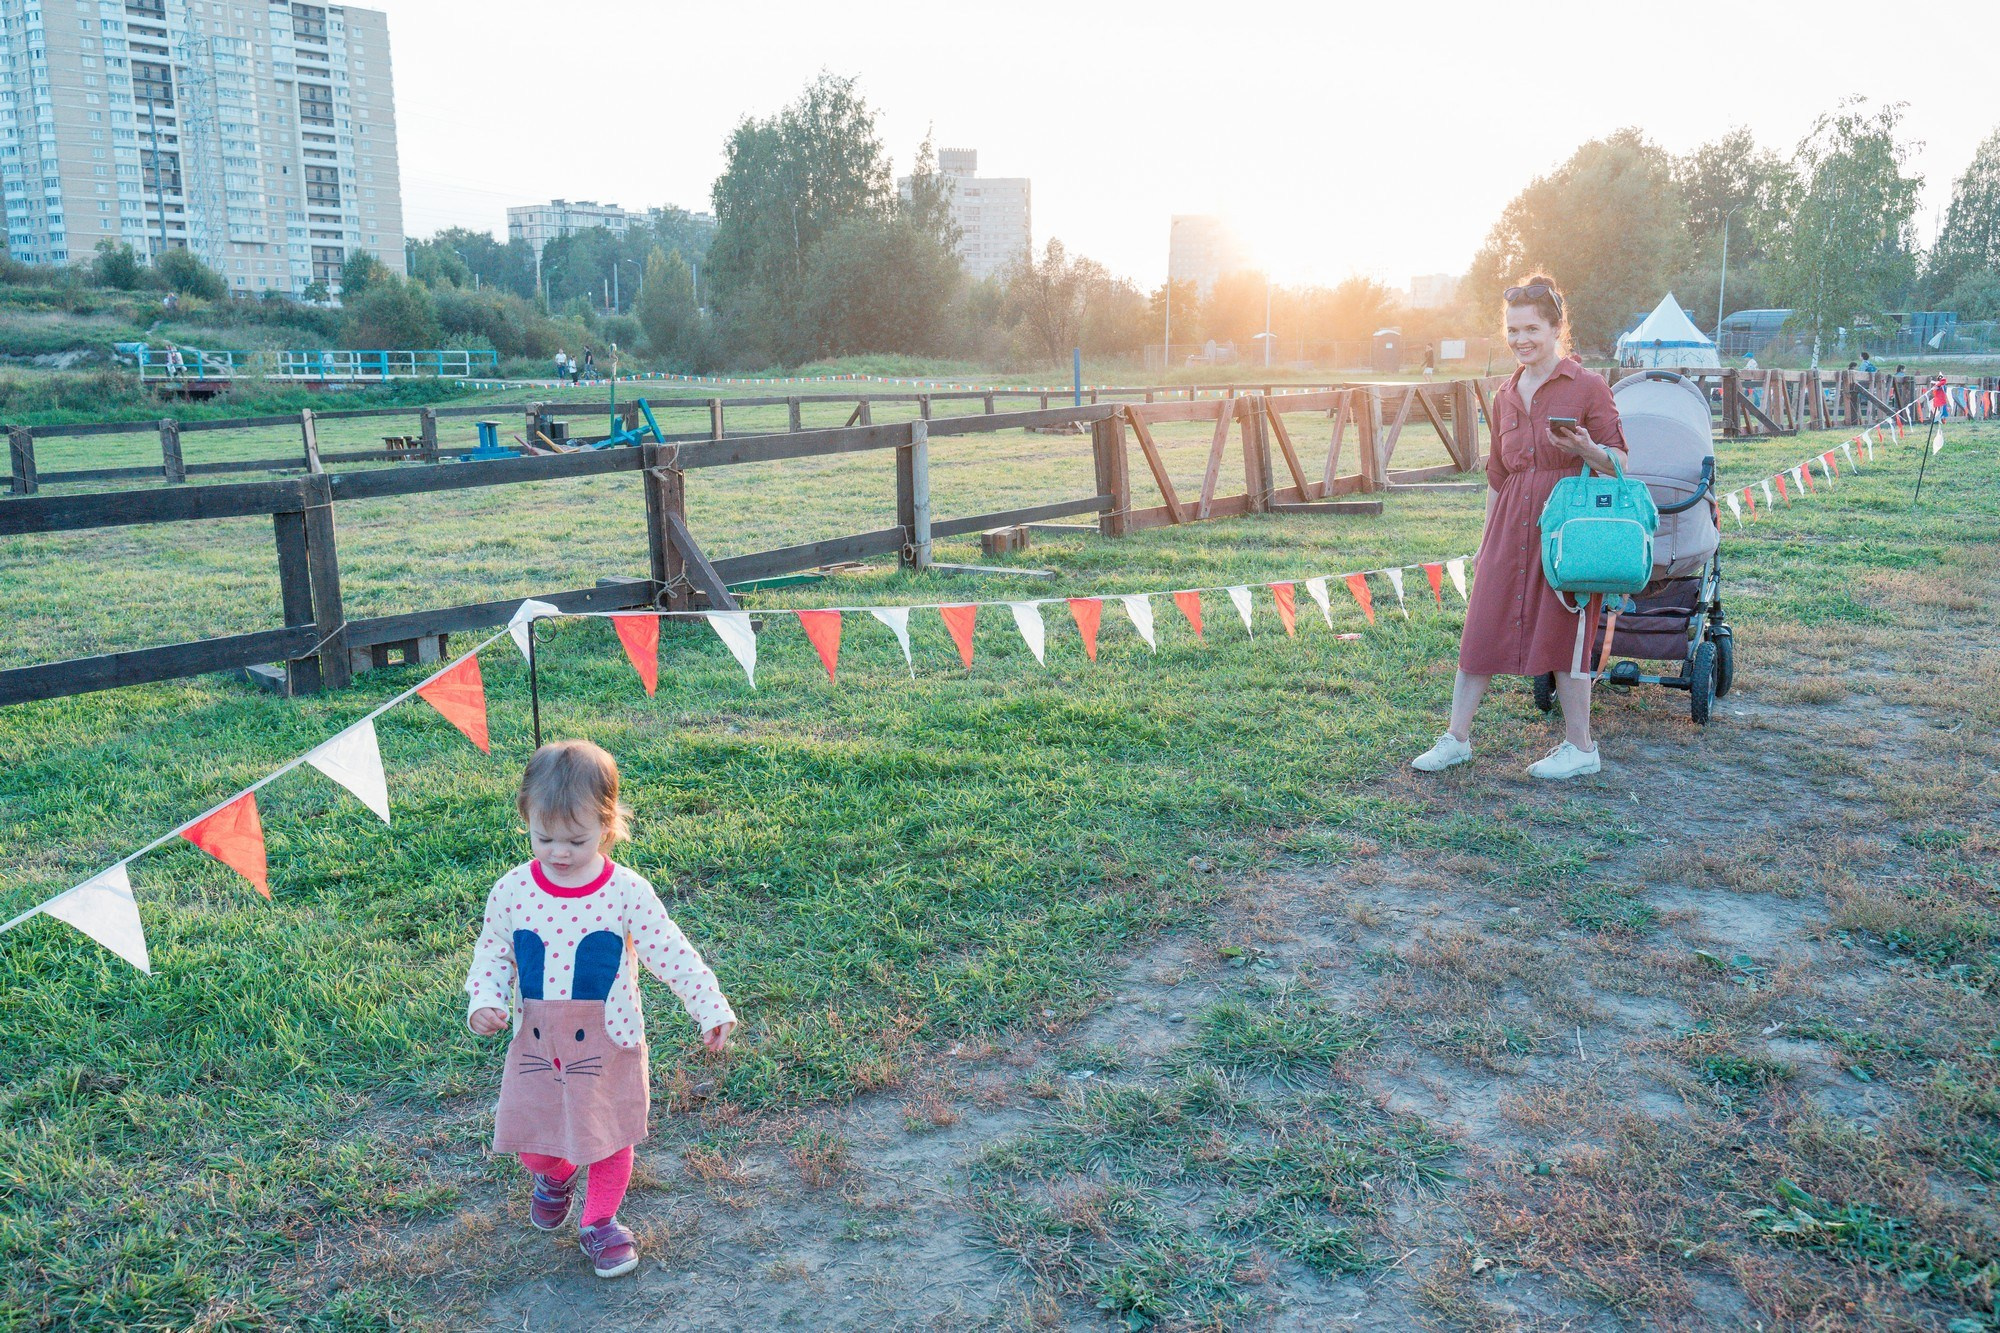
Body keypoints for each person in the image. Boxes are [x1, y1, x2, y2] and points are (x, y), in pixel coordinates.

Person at [466, 740, 737, 1279]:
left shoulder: (626, 892)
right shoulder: (513, 890)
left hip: (610, 1039)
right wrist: (486, 1000)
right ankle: (556, 1172)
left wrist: (708, 1005)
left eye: (577, 839)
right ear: (527, 820)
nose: (559, 852)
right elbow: (494, 950)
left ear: (609, 826)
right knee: (535, 1140)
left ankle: (600, 1222)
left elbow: (669, 949)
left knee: (610, 1134)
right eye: (544, 837)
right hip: (536, 1043)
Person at [1412, 274, 1628, 781]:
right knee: (1482, 623)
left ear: (1556, 329)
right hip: (1511, 522)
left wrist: (1586, 451)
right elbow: (1497, 474)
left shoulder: (1588, 387)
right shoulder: (1506, 393)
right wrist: (1488, 544)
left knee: (1565, 630)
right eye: (1512, 330)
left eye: (1531, 328)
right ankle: (1456, 739)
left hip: (1568, 528)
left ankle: (1581, 749)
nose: (1520, 340)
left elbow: (1621, 462)